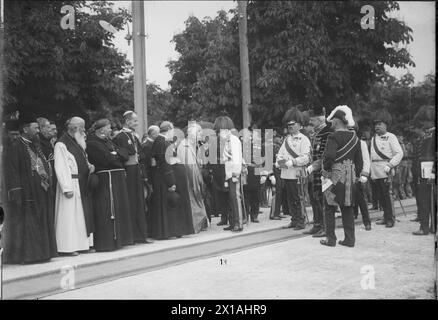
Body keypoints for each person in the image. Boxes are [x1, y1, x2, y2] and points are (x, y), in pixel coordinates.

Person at [3, 113, 57, 263]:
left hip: (40, 190)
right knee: (29, 225)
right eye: (35, 128)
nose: (38, 131)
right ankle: (29, 256)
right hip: (26, 193)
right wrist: (16, 194)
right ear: (26, 129)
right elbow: (12, 171)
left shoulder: (35, 145)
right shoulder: (16, 146)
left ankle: (42, 253)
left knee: (40, 222)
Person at [86, 119, 134, 251]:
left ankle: (121, 239)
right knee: (108, 210)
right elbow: (107, 159)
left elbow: (125, 153)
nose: (110, 131)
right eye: (108, 128)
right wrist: (116, 155)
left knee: (119, 209)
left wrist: (115, 154)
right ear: (101, 129)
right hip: (107, 179)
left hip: (116, 178)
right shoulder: (92, 143)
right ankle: (109, 241)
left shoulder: (108, 141)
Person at [320, 106, 363, 247]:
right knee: (347, 208)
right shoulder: (355, 138)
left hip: (335, 176)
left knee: (329, 207)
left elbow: (329, 157)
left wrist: (325, 170)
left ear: (337, 122)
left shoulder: (333, 136)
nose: (331, 123)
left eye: (332, 121)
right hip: (350, 177)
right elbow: (359, 162)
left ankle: (330, 239)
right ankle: (350, 240)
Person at [54, 117, 94, 255]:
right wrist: (66, 188)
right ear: (73, 128)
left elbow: (83, 159)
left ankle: (83, 245)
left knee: (81, 217)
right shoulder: (61, 144)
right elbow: (61, 166)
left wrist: (89, 166)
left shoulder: (79, 142)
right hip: (70, 184)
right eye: (81, 127)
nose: (84, 130)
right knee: (69, 217)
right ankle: (67, 247)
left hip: (81, 183)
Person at [150, 121, 194, 239]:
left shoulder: (160, 142)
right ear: (169, 129)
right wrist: (171, 182)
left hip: (164, 176)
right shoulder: (164, 143)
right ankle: (172, 231)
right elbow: (166, 164)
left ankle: (171, 231)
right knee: (171, 205)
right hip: (167, 178)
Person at [113, 111, 150, 244]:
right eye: (134, 121)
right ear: (127, 122)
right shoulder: (121, 136)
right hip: (129, 170)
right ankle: (132, 235)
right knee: (131, 202)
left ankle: (141, 234)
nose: (137, 123)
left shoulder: (134, 135)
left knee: (139, 201)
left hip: (137, 170)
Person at [277, 108, 311, 231]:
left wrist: (293, 162)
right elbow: (280, 154)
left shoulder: (304, 139)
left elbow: (306, 158)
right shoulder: (287, 139)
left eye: (293, 124)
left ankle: (301, 220)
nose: (290, 126)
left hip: (297, 173)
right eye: (289, 124)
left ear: (300, 125)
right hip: (286, 173)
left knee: (298, 198)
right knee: (290, 199)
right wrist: (279, 162)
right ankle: (294, 219)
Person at [370, 109, 403, 228]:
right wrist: (370, 172)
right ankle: (385, 216)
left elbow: (399, 153)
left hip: (386, 170)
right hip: (375, 171)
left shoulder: (391, 137)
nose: (377, 126)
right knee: (380, 196)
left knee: (387, 196)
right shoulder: (373, 139)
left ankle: (390, 218)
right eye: (375, 124)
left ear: (386, 125)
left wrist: (390, 165)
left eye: (379, 124)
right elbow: (371, 156)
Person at [304, 106, 333, 237]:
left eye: (313, 120)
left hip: (325, 172)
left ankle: (325, 227)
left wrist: (313, 167)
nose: (311, 123)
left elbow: (326, 155)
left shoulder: (328, 132)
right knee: (315, 198)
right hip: (315, 173)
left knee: (323, 200)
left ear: (320, 119)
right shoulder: (317, 133)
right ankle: (317, 224)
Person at [214, 116, 245, 232]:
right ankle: (233, 222)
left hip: (234, 174)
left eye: (219, 131)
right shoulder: (226, 141)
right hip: (229, 174)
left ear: (226, 130)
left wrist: (236, 174)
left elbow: (237, 159)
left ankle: (239, 223)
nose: (218, 134)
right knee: (231, 199)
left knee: (235, 198)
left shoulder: (234, 141)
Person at [177, 122, 208, 233]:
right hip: (190, 181)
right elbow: (190, 169)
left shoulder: (192, 146)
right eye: (198, 132)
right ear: (191, 134)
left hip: (193, 179)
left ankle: (198, 224)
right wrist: (198, 183)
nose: (201, 134)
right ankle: (195, 225)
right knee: (193, 202)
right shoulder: (185, 146)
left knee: (196, 202)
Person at [412, 106, 436, 235]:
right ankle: (426, 226)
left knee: (428, 200)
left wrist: (433, 173)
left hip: (430, 174)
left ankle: (427, 227)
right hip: (423, 173)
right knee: (424, 201)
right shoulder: (427, 134)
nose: (424, 123)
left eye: (426, 120)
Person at [350, 122, 371, 231]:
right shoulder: (343, 143)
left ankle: (367, 221)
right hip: (346, 175)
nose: (350, 132)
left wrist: (364, 174)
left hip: (358, 175)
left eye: (352, 130)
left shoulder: (361, 143)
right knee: (349, 199)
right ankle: (352, 217)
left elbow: (366, 160)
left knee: (361, 200)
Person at [141, 125, 160, 234]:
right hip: (150, 177)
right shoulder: (148, 145)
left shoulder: (150, 144)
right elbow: (148, 164)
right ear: (153, 134)